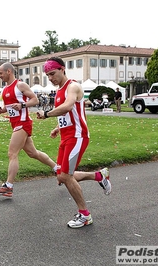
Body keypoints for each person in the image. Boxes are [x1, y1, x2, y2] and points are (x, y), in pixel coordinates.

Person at [36, 57, 111, 229]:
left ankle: (85, 214)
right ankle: (98, 176)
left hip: (78, 137)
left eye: (53, 73)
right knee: (61, 176)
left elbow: (69, 106)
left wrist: (46, 114)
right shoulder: (60, 90)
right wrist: (58, 128)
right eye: (48, 75)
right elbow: (67, 115)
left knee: (65, 176)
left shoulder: (73, 87)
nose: (51, 78)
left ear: (62, 69)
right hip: (66, 136)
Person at [0, 62, 57, 197]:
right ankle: (57, 168)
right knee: (33, 153)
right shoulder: (5, 89)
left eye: (1, 73)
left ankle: (8, 186)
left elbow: (35, 100)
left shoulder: (20, 85)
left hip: (23, 122)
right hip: (15, 123)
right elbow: (9, 106)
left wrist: (22, 105)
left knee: (12, 153)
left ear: (9, 72)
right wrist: (2, 110)